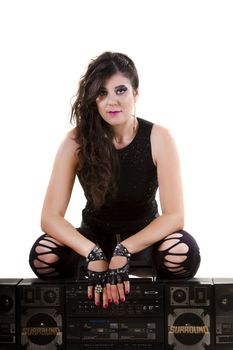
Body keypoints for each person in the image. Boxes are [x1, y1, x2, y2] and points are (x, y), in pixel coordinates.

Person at [29, 51, 201, 308]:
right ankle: (82, 295)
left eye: (120, 90)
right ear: (94, 100)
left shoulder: (158, 137)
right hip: (94, 238)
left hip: (143, 239)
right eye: (102, 93)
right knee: (42, 255)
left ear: (136, 94)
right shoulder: (75, 141)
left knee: (182, 252)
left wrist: (125, 250)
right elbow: (50, 217)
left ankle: (159, 307)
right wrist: (92, 252)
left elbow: (175, 216)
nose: (112, 102)